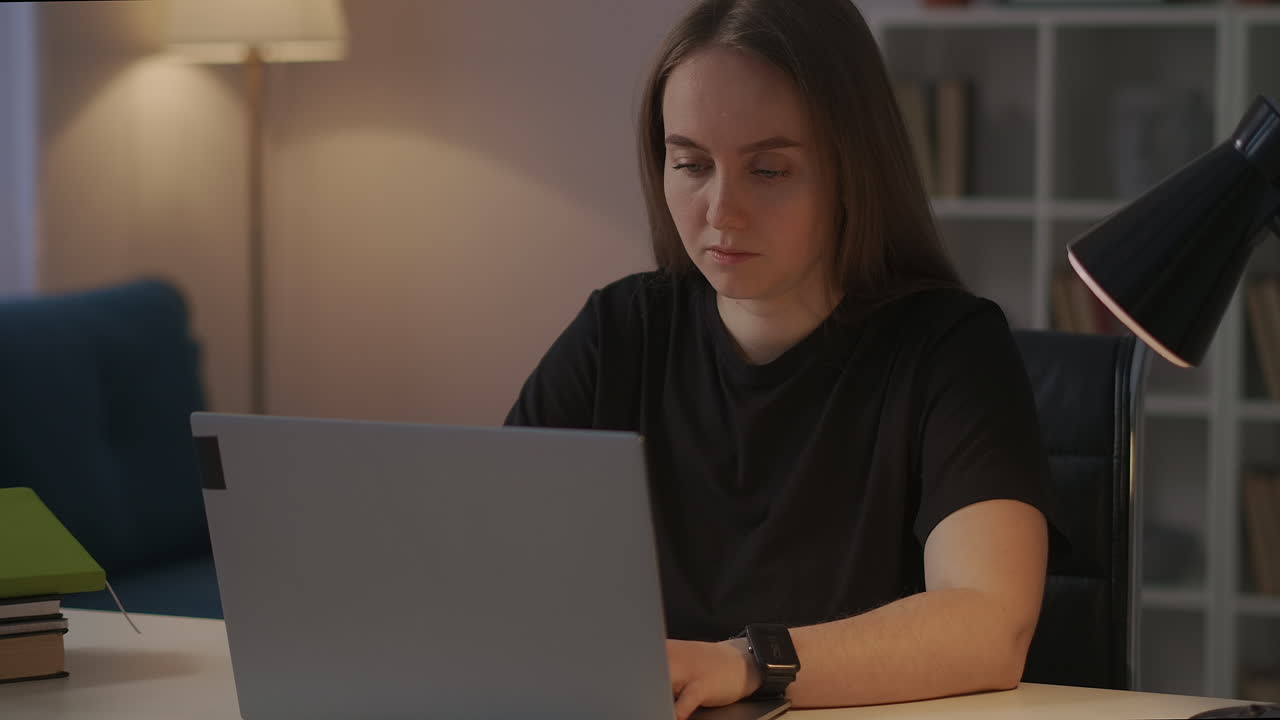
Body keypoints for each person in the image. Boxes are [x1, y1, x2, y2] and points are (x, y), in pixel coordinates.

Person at [505, 0, 1055, 717]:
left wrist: (747, 663)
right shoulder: (619, 332)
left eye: (768, 170)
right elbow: (493, 564)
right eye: (690, 164)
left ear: (853, 169)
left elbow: (988, 624)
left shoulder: (951, 348)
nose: (721, 209)